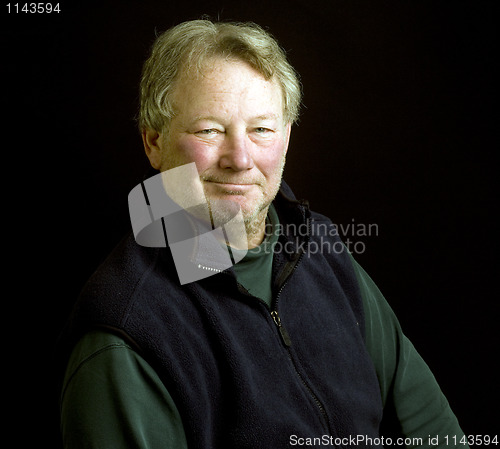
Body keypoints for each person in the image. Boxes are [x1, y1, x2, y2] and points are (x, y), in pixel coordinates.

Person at [59, 19, 469, 448]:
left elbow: (432, 431)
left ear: (287, 137)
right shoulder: (125, 332)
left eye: (261, 129)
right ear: (154, 142)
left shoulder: (318, 246)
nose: (240, 158)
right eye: (209, 130)